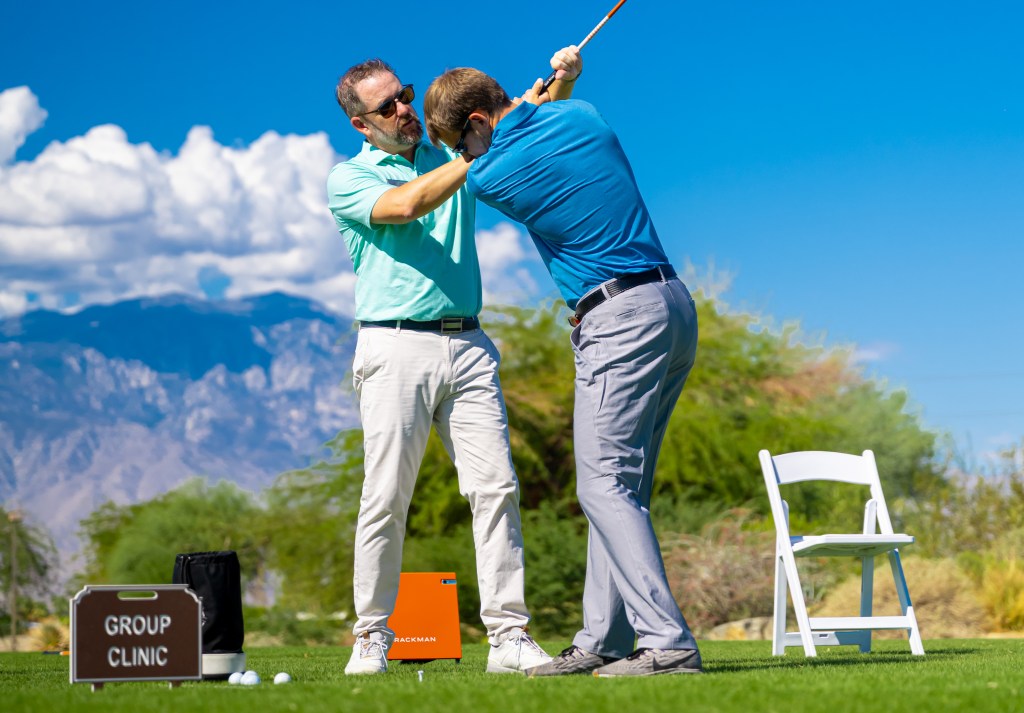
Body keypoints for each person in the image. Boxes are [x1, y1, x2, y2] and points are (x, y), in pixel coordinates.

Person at [423, 55, 703, 677]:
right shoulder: (584, 116)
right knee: (621, 490)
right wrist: (557, 88)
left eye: (459, 142)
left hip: (618, 321)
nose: (460, 154)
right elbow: (537, 120)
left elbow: (491, 155)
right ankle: (601, 639)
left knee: (601, 485)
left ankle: (668, 643)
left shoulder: (488, 174)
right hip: (672, 307)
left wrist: (512, 118)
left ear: (475, 123)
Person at [326, 50, 579, 676]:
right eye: (387, 106)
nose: (405, 110)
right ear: (363, 123)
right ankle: (371, 637)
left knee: (496, 489)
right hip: (393, 347)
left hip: (468, 344)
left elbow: (516, 118)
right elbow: (406, 206)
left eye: (405, 95)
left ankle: (509, 637)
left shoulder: (449, 154)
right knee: (386, 497)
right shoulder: (349, 178)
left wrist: (562, 82)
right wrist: (471, 156)